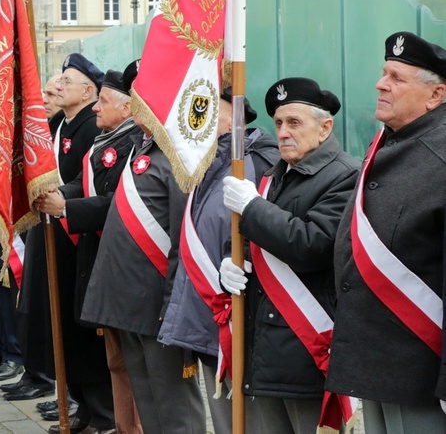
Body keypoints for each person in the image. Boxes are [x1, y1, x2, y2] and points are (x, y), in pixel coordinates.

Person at [219, 77, 359, 433]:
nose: (282, 132)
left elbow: (313, 244)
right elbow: (248, 235)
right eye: (279, 123)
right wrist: (232, 259)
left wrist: (252, 208)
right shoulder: (274, 175)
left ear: (325, 128)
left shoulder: (345, 175)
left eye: (294, 123)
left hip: (308, 344)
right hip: (265, 344)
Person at [326, 32, 446, 433]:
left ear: (435, 96)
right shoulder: (389, 144)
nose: (381, 83)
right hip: (374, 363)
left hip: (419, 371)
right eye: (383, 73)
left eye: (396, 77)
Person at [81, 83, 204, 434]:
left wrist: (174, 303)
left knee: (173, 402)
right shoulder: (140, 149)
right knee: (147, 398)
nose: (137, 108)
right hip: (127, 301)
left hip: (157, 301)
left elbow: (184, 239)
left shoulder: (178, 160)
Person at [157, 87, 279, 434]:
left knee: (246, 421)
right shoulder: (207, 165)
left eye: (210, 111)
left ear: (234, 119)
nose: (199, 120)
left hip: (236, 318)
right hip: (210, 313)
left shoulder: (251, 163)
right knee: (225, 417)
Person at [36, 61, 143, 434]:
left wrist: (66, 207)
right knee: (109, 353)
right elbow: (84, 181)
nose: (96, 107)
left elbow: (119, 200)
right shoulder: (106, 139)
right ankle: (99, 412)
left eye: (104, 100)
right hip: (93, 255)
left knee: (122, 357)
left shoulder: (132, 143)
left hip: (119, 260)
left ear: (128, 108)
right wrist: (58, 194)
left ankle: (111, 416)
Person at [13, 53, 103, 434]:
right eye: (60, 79)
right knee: (54, 319)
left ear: (88, 91)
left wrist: (60, 195)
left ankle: (96, 406)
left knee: (75, 321)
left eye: (68, 80)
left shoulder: (89, 128)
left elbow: (90, 180)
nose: (59, 86)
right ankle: (78, 400)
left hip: (75, 235)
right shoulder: (61, 125)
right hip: (52, 228)